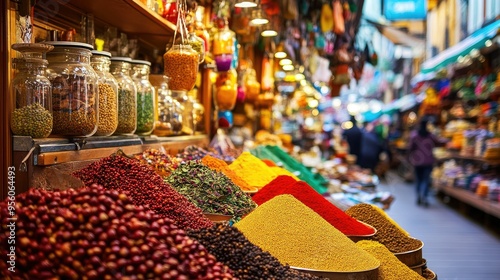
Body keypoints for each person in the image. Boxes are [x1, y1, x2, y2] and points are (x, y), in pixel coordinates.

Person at [408, 116, 447, 207]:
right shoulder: (430, 135)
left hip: (417, 161)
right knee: (426, 180)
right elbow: (438, 142)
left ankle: (418, 196)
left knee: (418, 180)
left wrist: (410, 158)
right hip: (428, 161)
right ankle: (424, 197)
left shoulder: (414, 135)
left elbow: (410, 148)